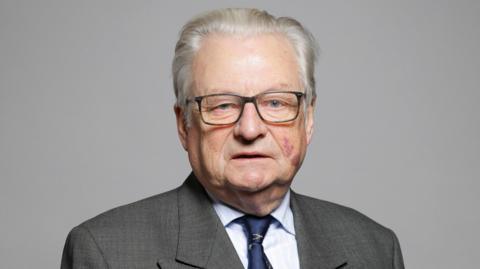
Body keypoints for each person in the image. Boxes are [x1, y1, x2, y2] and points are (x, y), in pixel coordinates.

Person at [61, 8, 404, 269]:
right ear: (184, 124)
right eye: (223, 105)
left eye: (275, 102)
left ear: (308, 119)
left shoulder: (373, 248)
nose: (250, 129)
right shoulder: (105, 251)